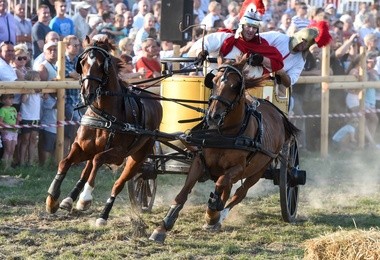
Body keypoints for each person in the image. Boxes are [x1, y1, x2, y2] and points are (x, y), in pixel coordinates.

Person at [188, 3, 284, 78]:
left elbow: (277, 62)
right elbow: (205, 43)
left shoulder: (261, 44)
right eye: (248, 26)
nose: (251, 30)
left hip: (247, 86)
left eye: (254, 27)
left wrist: (261, 59)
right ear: (242, 26)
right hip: (215, 81)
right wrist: (202, 52)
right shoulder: (226, 38)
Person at [19, 70, 41, 167]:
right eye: (38, 78)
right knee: (25, 140)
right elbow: (23, 100)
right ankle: (22, 162)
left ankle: (30, 161)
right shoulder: (27, 91)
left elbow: (45, 96)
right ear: (32, 79)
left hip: (36, 117)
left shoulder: (39, 91)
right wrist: (28, 91)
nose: (40, 80)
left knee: (33, 140)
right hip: (26, 117)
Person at [63, 35, 81, 155]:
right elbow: (76, 74)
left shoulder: (78, 60)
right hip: (67, 100)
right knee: (69, 131)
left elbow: (79, 74)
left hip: (79, 100)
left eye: (78, 45)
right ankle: (65, 156)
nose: (77, 48)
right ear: (66, 46)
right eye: (74, 45)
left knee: (76, 130)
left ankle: (73, 155)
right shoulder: (62, 59)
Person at [0, 94, 20, 169]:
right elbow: (0, 122)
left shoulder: (14, 109)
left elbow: (16, 121)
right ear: (3, 100)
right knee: (7, 149)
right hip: (7, 131)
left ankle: (9, 166)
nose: (12, 100)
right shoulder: (2, 109)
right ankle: (4, 166)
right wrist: (9, 126)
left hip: (14, 132)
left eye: (12, 98)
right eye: (9, 98)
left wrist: (18, 121)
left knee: (12, 150)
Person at [39, 93, 57, 166]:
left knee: (54, 148)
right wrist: (62, 98)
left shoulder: (55, 98)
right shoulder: (47, 98)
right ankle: (45, 165)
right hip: (48, 127)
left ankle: (51, 164)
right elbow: (56, 105)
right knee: (46, 148)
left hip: (56, 127)